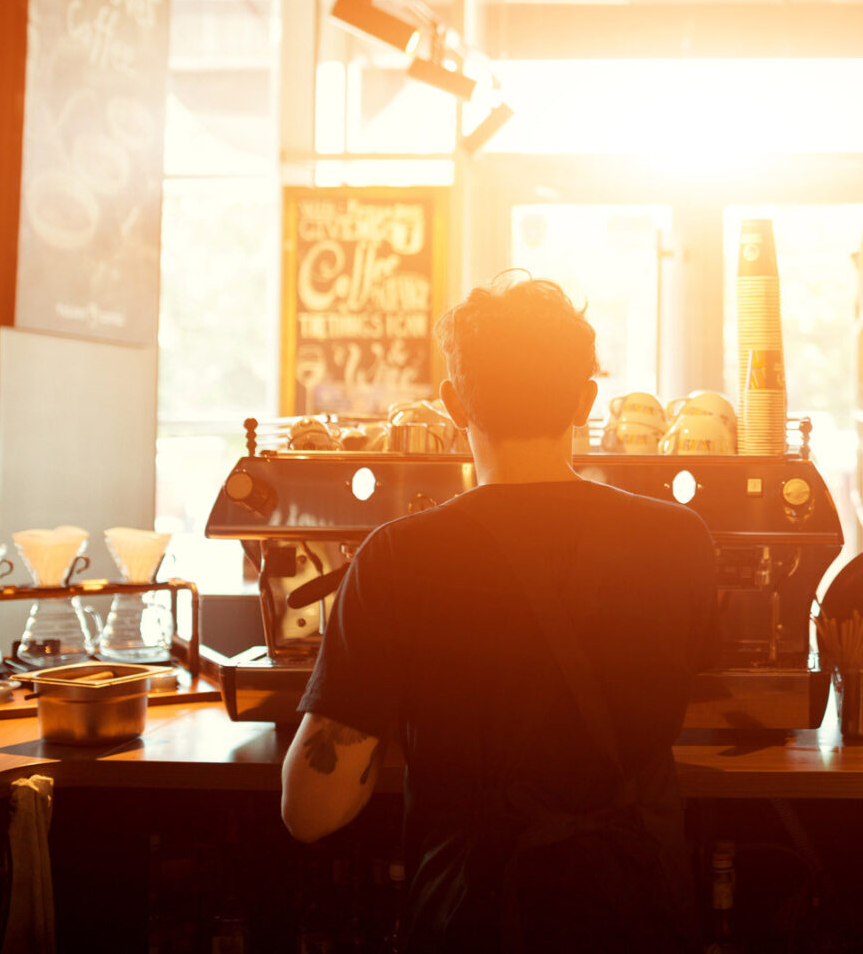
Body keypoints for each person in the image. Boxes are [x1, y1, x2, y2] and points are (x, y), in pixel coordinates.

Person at [281, 272, 719, 953]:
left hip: (474, 912)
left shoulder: (399, 557)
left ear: (454, 402)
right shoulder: (681, 539)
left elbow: (312, 809)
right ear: (585, 401)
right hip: (637, 908)